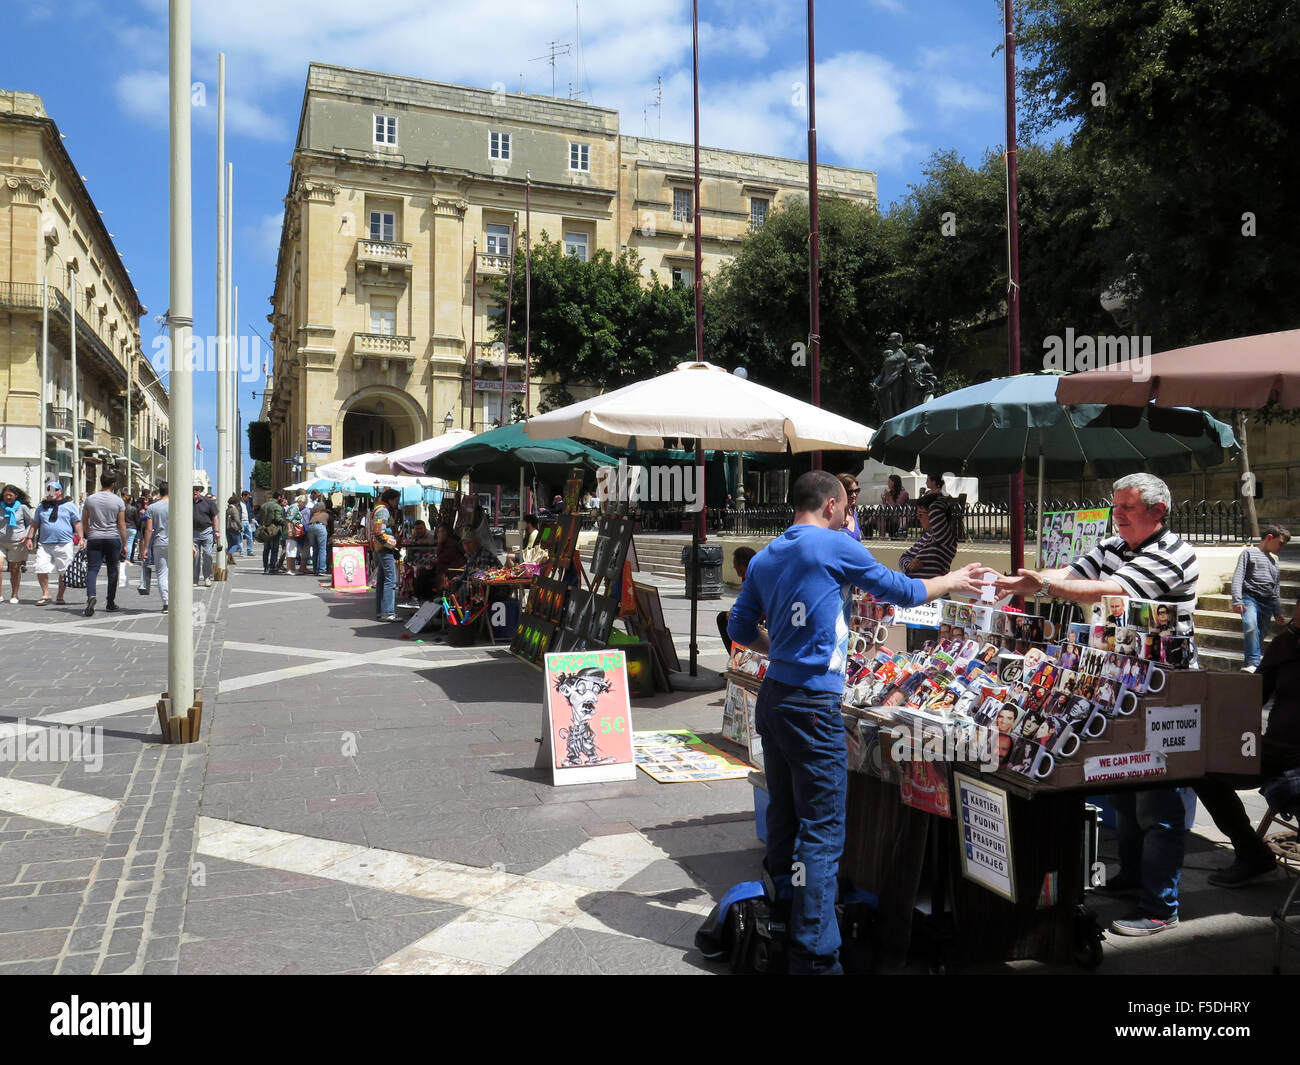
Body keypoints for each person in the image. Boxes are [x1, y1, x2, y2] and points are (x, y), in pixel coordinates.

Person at [728, 469, 990, 974]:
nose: (851, 512)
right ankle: (816, 954)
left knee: (785, 813)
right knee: (822, 832)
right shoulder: (829, 546)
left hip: (776, 697)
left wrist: (781, 653)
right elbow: (903, 590)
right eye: (847, 504)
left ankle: (784, 910)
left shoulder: (765, 556)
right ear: (829, 505)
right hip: (811, 707)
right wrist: (954, 579)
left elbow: (739, 626)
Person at [996, 472, 1198, 938]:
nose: (1118, 513)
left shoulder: (1173, 554)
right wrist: (1012, 582)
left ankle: (1160, 907)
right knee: (1124, 788)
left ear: (1157, 512)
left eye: (1127, 506)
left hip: (1169, 689)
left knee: (1160, 798)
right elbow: (1067, 575)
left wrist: (1044, 589)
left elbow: (1112, 591)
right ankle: (1130, 877)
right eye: (1116, 505)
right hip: (1122, 681)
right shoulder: (1112, 546)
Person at [1195, 594, 1300, 886]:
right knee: (1205, 773)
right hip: (1275, 749)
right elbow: (1254, 695)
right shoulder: (1285, 645)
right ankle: (1252, 852)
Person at [1231, 524, 1291, 673]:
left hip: (1267, 603)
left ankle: (1249, 667)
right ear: (1270, 537)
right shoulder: (1249, 552)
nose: (1281, 547)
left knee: (1259, 635)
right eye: (1280, 543)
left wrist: (1278, 611)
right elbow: (1238, 576)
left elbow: (1275, 589)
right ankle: (1254, 663)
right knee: (1250, 626)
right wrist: (1237, 600)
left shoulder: (1274, 562)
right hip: (1249, 598)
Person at [24, 480, 82, 606]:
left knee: (64, 571)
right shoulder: (42, 507)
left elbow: (77, 523)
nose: (49, 493)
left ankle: (60, 596)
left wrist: (81, 538)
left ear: (59, 491)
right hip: (45, 543)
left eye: (53, 490)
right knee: (40, 567)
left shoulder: (69, 506)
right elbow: (35, 523)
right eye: (47, 490)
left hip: (64, 543)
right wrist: (29, 538)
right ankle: (46, 594)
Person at [82, 473, 128, 617]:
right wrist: (125, 543)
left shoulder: (90, 499)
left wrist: (89, 534)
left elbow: (84, 520)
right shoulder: (118, 501)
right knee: (112, 570)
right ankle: (110, 603)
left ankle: (91, 596)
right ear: (113, 484)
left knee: (92, 569)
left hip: (95, 537)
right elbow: (121, 524)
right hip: (112, 537)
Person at [899, 491, 959, 580]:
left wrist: (938, 496)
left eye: (920, 514)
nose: (918, 518)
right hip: (917, 591)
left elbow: (936, 509)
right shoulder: (926, 536)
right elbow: (903, 557)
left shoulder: (944, 537)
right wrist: (909, 564)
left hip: (935, 592)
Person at [717, 546, 757, 652]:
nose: (734, 568)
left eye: (735, 566)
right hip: (754, 612)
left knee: (725, 620)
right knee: (724, 617)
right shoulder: (748, 575)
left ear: (742, 565)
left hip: (760, 616)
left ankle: (736, 655)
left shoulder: (754, 577)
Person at [371, 488, 401, 622]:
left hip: (381, 548)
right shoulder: (383, 510)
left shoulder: (380, 509)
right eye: (396, 500)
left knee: (382, 580)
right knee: (391, 580)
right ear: (391, 499)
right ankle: (388, 612)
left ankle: (381, 611)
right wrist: (392, 543)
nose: (397, 503)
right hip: (384, 548)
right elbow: (379, 532)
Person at [0, 485, 34, 604]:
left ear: (16, 496)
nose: (8, 497)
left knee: (14, 570)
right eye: (5, 495)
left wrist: (26, 535)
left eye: (10, 495)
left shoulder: (23, 508)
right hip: (1, 542)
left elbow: (31, 523)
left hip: (17, 542)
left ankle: (14, 594)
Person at [141, 482, 171, 613]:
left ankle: (166, 602)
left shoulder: (152, 508)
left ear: (160, 492)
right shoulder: (178, 505)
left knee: (162, 573)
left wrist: (145, 547)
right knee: (176, 573)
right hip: (177, 544)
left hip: (159, 542)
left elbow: (148, 529)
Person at [192, 483, 219, 587]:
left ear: (200, 491)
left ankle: (207, 577)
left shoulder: (208, 502)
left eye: (197, 489)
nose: (195, 491)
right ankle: (195, 579)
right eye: (193, 489)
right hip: (193, 532)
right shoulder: (187, 502)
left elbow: (215, 517)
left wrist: (216, 531)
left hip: (207, 531)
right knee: (195, 556)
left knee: (207, 555)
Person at [259, 491, 286, 575]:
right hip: (274, 530)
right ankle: (272, 567)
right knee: (274, 549)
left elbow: (259, 517)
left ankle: (265, 567)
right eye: (282, 497)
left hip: (264, 529)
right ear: (279, 497)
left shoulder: (264, 505)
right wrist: (286, 521)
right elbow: (278, 519)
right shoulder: (277, 506)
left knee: (266, 549)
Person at [877, 474, 909, 539]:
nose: (888, 483)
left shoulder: (904, 493)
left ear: (894, 482)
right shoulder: (890, 493)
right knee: (880, 515)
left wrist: (889, 497)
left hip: (898, 517)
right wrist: (884, 500)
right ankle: (882, 537)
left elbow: (896, 507)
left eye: (889, 481)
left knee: (879, 515)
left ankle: (865, 524)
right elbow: (886, 506)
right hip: (889, 515)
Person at [837, 473, 863, 541]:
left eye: (856, 491)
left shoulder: (854, 514)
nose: (854, 495)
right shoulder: (834, 517)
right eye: (850, 492)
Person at [307, 499, 330, 575]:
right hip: (320, 527)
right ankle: (322, 569)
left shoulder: (315, 514)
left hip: (310, 527)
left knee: (315, 548)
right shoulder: (326, 514)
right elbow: (331, 527)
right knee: (322, 549)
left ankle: (315, 569)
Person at [225, 495, 243, 568]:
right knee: (236, 544)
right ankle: (228, 555)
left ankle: (230, 559)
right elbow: (237, 519)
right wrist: (240, 527)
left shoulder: (227, 509)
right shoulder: (234, 509)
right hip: (234, 529)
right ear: (236, 502)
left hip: (228, 528)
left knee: (230, 544)